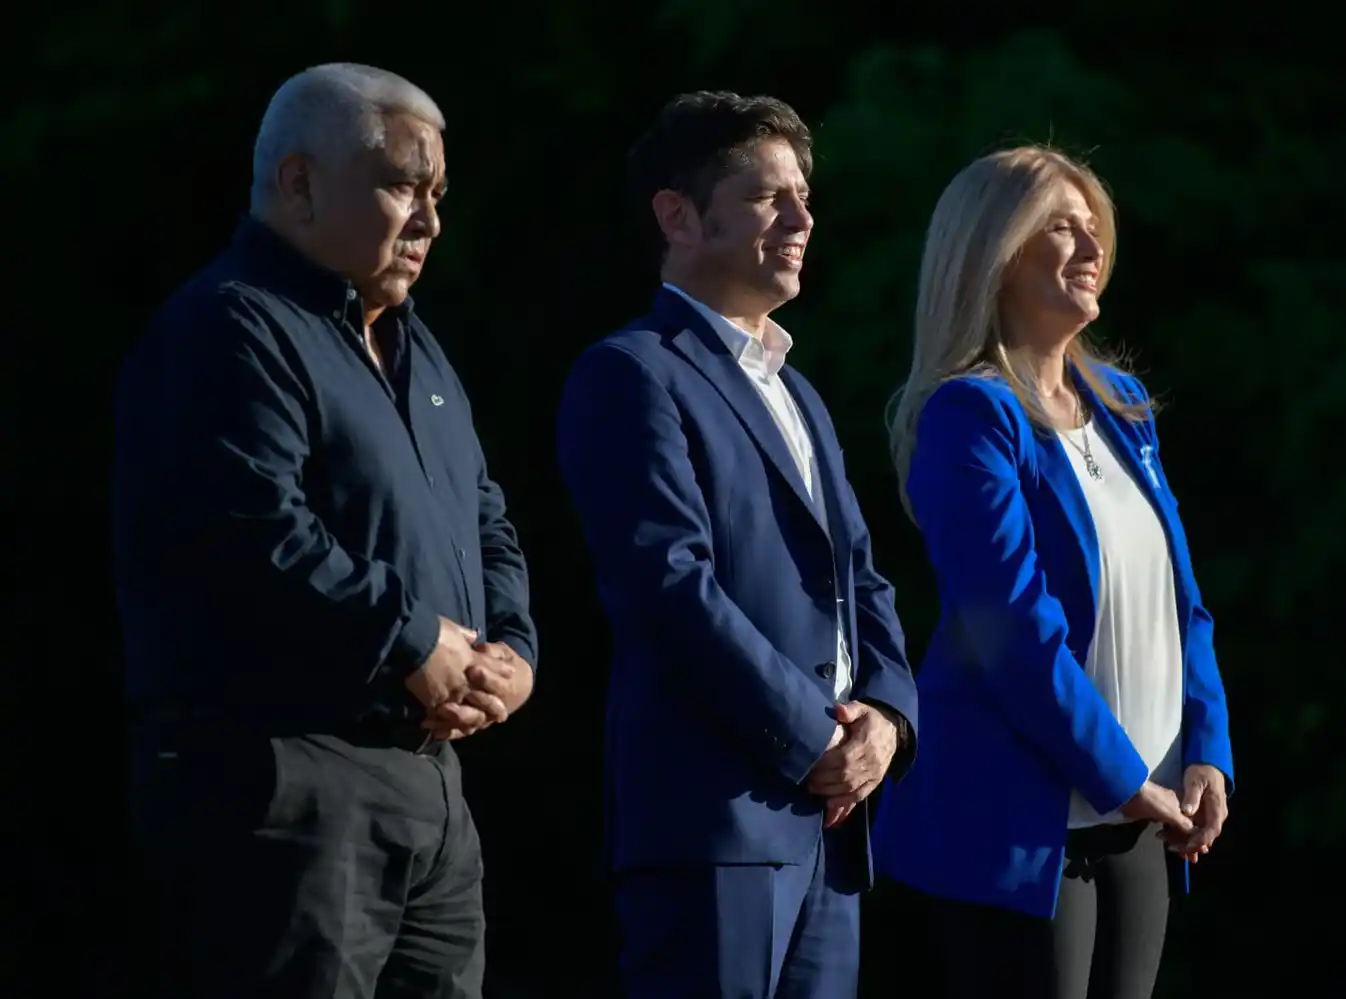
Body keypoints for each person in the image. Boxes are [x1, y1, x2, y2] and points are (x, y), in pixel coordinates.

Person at [113, 63, 537, 999]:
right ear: (298, 184)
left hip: (429, 782)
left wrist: (513, 648)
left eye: (437, 194)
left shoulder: (420, 350)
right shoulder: (228, 328)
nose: (429, 221)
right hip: (288, 775)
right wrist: (413, 636)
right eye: (402, 186)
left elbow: (485, 516)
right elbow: (250, 530)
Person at [555, 91, 920, 998]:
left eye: (804, 196)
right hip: (714, 825)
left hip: (831, 829)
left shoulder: (800, 393)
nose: (801, 218)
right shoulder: (631, 373)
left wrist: (887, 719)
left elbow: (862, 579)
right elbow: (668, 585)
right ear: (678, 216)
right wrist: (815, 737)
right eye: (767, 197)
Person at [869, 147, 1235, 999]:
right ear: (994, 254)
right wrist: (1125, 779)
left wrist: (1207, 752)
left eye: (1093, 228)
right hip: (1024, 831)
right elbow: (1016, 631)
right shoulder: (971, 414)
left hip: (1143, 818)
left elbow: (1184, 604)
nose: (1092, 247)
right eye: (1061, 228)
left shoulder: (1121, 405)